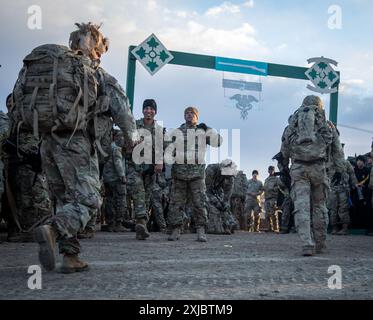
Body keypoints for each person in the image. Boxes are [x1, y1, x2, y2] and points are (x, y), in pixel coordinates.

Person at [10, 22, 138, 273]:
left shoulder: (50, 71)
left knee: (64, 200)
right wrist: (131, 138)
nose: (100, 55)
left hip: (47, 141)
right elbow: (123, 113)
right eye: (100, 49)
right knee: (90, 199)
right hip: (76, 143)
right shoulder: (97, 74)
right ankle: (54, 230)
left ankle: (70, 257)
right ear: (94, 47)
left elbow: (17, 100)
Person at [280, 95, 345, 256]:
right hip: (319, 169)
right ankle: (321, 244)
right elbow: (338, 151)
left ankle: (307, 243)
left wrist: (286, 169)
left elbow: (284, 151)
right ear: (320, 107)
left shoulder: (292, 125)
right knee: (319, 206)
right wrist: (339, 170)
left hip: (299, 169)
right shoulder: (327, 125)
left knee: (301, 206)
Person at [167, 106, 222, 242]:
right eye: (187, 113)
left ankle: (201, 230)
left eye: (192, 113)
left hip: (197, 175)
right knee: (176, 203)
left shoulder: (202, 131)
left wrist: (208, 129)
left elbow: (218, 142)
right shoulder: (177, 132)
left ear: (197, 116)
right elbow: (167, 149)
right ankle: (176, 229)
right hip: (179, 174)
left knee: (200, 203)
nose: (189, 115)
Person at [102, 130, 127, 232]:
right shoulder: (116, 148)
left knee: (109, 200)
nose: (123, 141)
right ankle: (118, 223)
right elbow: (118, 163)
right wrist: (122, 175)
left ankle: (110, 223)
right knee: (120, 199)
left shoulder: (109, 147)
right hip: (116, 178)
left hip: (107, 177)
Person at [205, 159, 238, 235]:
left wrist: (225, 202)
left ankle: (227, 225)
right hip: (205, 190)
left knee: (225, 208)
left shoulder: (230, 175)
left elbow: (228, 192)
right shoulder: (211, 169)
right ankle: (208, 226)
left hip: (217, 191)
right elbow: (206, 190)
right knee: (212, 206)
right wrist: (216, 202)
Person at [263, 166, 280, 233]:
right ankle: (269, 228)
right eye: (269, 170)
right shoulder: (266, 179)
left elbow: (280, 186)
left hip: (273, 198)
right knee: (267, 214)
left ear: (274, 171)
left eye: (272, 170)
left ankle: (276, 228)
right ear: (268, 171)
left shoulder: (276, 179)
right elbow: (264, 188)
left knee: (273, 214)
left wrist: (274, 189)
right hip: (267, 198)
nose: (270, 171)